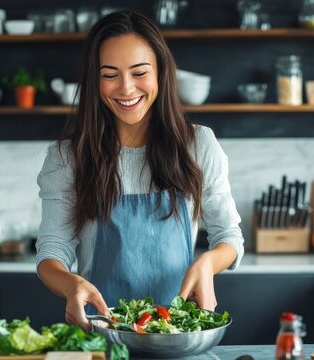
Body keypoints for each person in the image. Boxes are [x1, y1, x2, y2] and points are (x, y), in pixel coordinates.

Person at [35, 10, 244, 331]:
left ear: (161, 72)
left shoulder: (198, 144)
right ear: (94, 79)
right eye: (110, 74)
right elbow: (52, 251)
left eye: (139, 72)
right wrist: (69, 284)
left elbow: (228, 237)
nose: (126, 88)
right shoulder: (68, 157)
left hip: (176, 332)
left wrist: (208, 262)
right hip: (103, 331)